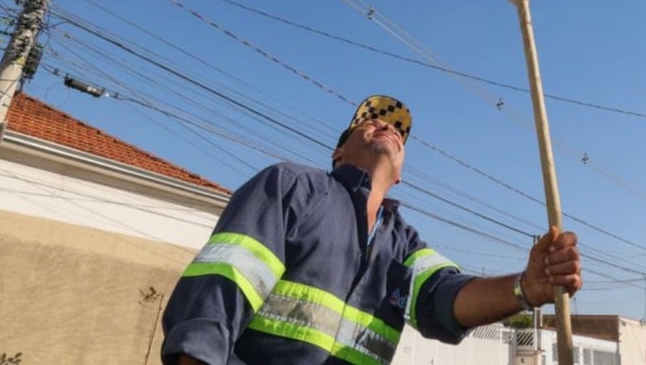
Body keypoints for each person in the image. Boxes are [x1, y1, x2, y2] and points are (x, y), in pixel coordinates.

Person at [161, 95, 582, 365]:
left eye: (399, 130)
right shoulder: (292, 187)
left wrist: (527, 287)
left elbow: (445, 299)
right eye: (370, 121)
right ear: (339, 150)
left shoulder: (404, 244)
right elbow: (219, 293)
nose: (387, 127)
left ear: (400, 174)